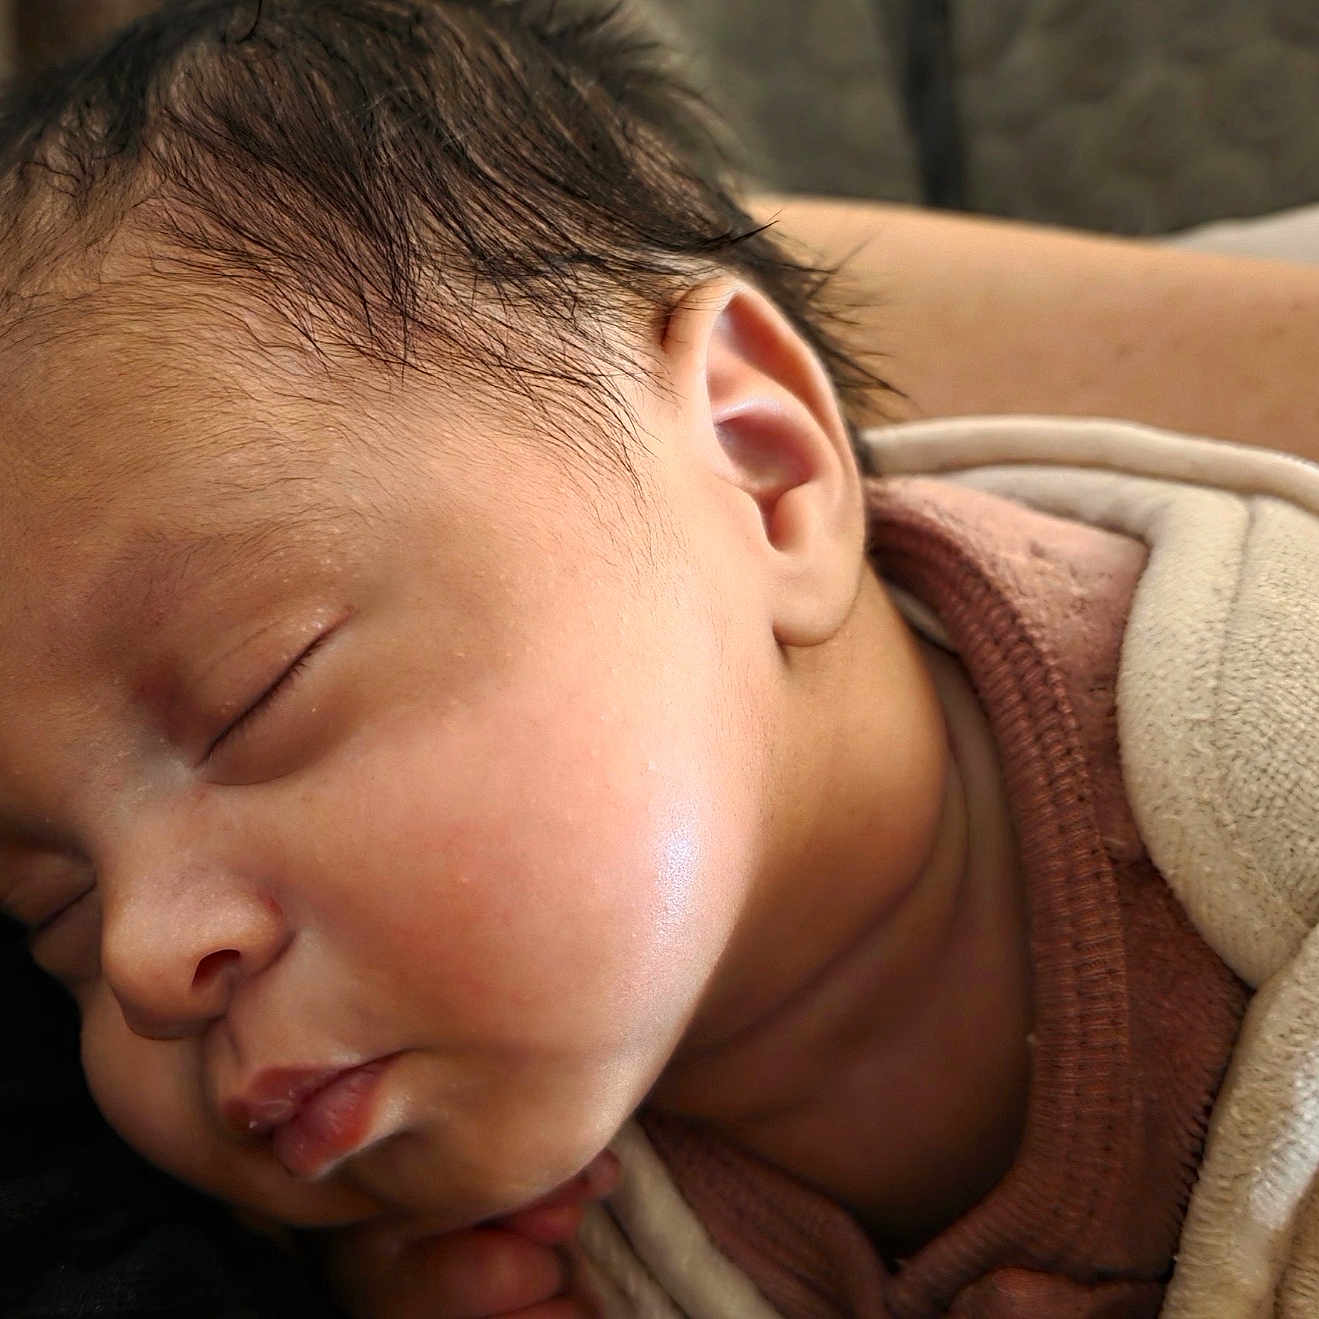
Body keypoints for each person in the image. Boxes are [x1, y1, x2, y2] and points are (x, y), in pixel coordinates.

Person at [2, 3, 1318, 1317]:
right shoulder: (544, 1246)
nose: (143, 960)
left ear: (758, 463)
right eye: (54, 913)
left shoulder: (1269, 737)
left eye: (256, 693)